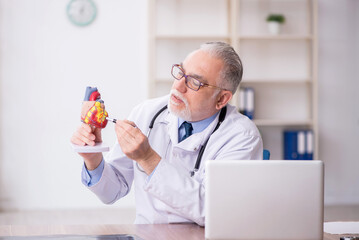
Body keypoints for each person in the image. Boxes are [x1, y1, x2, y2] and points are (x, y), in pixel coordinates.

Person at [70, 42, 263, 226]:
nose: (178, 86)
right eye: (180, 73)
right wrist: (93, 159)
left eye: (194, 82)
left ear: (221, 98)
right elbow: (112, 192)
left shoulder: (242, 136)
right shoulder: (146, 113)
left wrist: (148, 158)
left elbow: (217, 212)